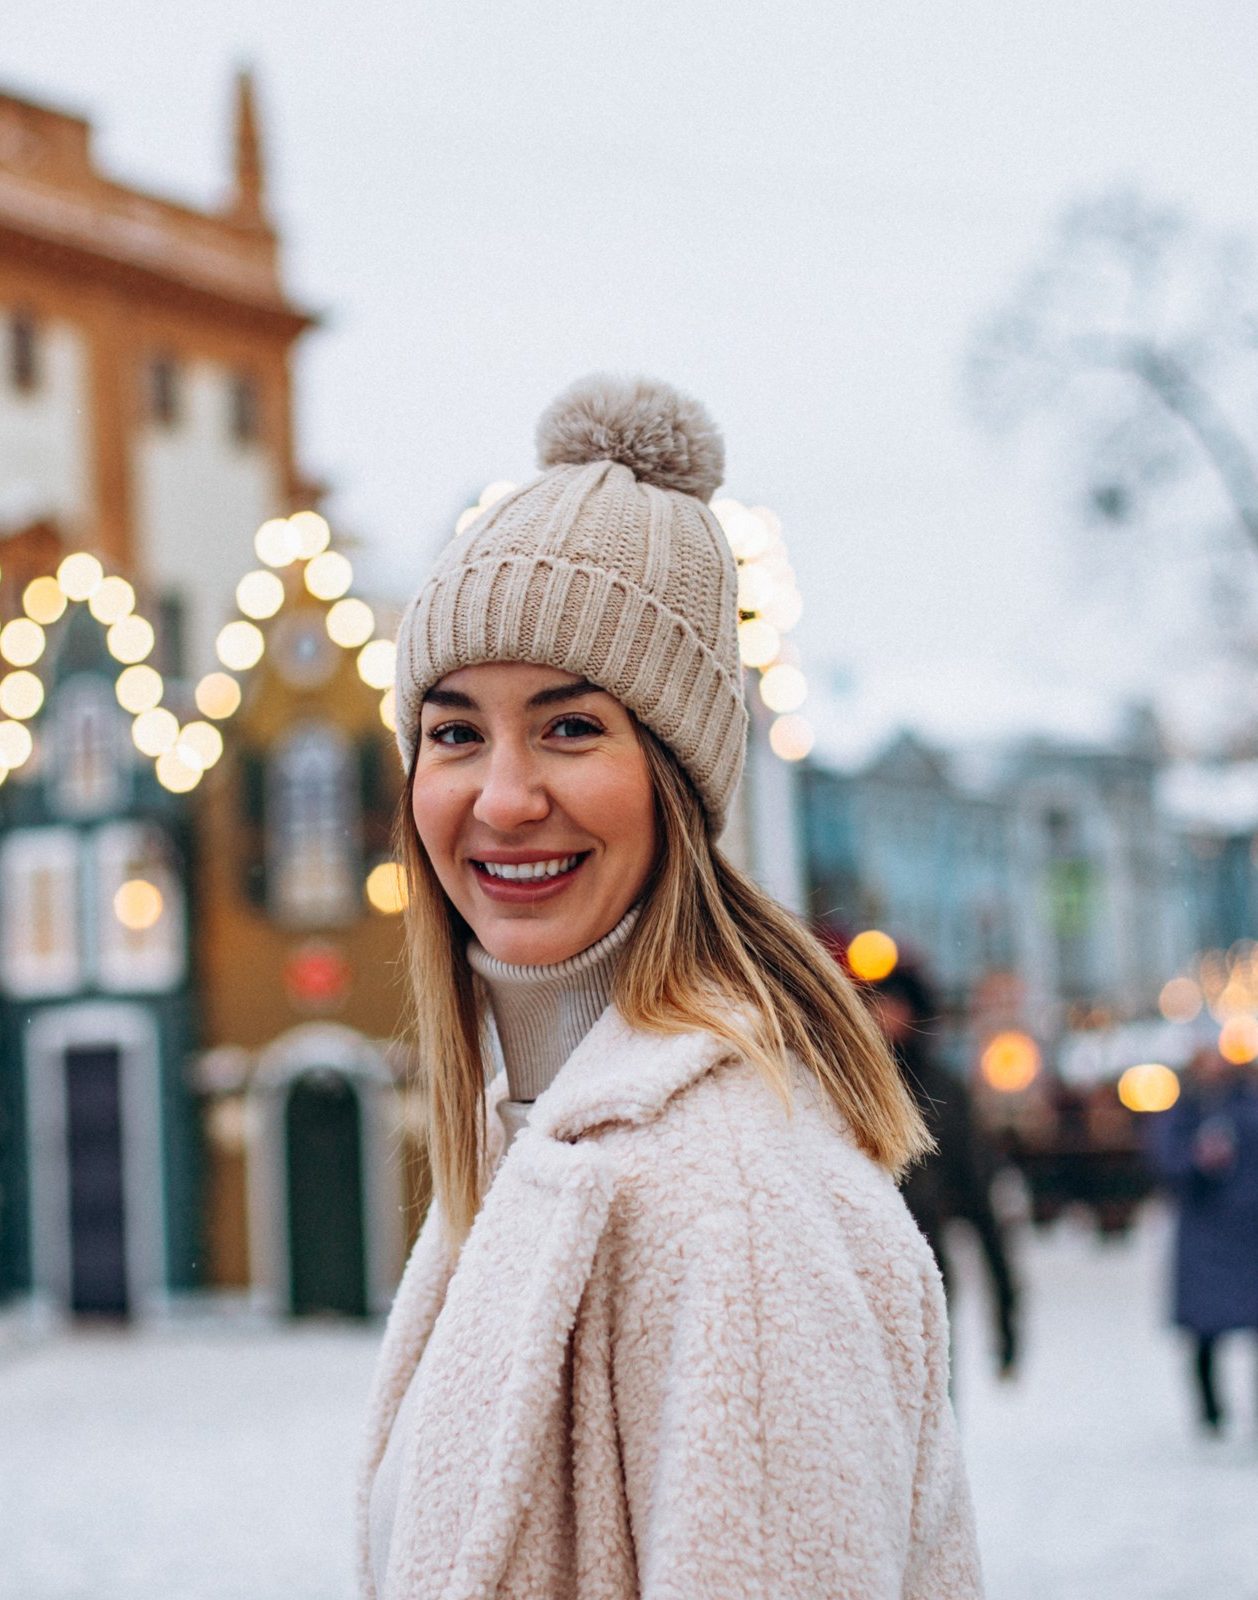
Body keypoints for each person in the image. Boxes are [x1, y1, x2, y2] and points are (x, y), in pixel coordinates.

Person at [359, 376, 983, 1599]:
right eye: (455, 731)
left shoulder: (729, 1201)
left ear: (678, 781)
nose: (502, 797)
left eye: (571, 727)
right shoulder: (535, 1131)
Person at [866, 962, 1022, 1379]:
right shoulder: (855, 1085)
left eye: (896, 1006)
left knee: (929, 1389)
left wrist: (1006, 1322)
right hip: (862, 1279)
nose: (886, 1018)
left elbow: (981, 1203)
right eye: (879, 1006)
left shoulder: (941, 1092)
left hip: (924, 1271)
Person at [1149, 1049, 1258, 1437]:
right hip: (1207, 1233)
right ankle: (1210, 1412)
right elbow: (1165, 1160)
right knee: (1204, 1329)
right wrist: (1196, 1161)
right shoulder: (1186, 1111)